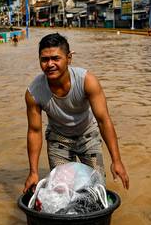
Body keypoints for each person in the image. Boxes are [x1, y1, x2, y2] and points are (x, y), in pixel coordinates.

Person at [23, 33, 129, 193]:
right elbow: (34, 131)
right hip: (59, 140)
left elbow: (103, 120)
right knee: (62, 191)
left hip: (88, 137)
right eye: (44, 60)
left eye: (55, 58)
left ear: (69, 58)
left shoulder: (87, 81)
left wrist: (116, 160)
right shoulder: (34, 92)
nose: (50, 64)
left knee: (95, 188)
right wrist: (33, 172)